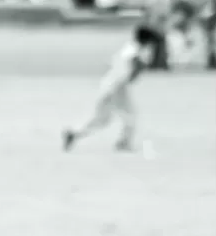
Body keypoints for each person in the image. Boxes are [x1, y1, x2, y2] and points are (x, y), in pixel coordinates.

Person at [63, 25, 160, 153]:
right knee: (129, 115)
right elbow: (132, 71)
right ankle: (123, 143)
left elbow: (119, 67)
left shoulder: (131, 48)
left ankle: (74, 133)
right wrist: (141, 65)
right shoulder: (135, 51)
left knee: (102, 118)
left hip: (110, 85)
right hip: (116, 86)